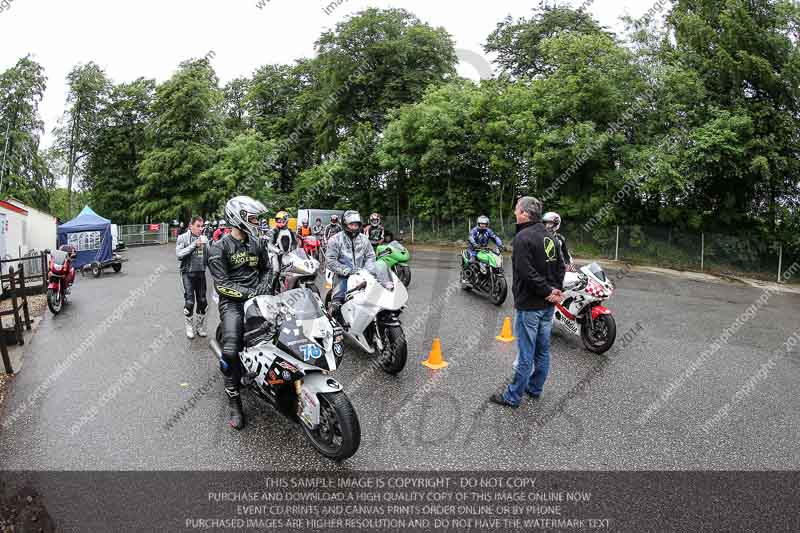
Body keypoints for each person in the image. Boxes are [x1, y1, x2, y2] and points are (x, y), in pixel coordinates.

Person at [491, 197, 565, 408]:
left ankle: (512, 396)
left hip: (530, 305)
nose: (515, 212)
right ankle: (534, 388)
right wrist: (554, 290)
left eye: (516, 209)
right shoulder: (549, 236)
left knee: (526, 352)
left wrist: (549, 290)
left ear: (524, 213)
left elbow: (526, 272)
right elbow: (561, 265)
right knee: (542, 350)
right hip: (548, 305)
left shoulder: (523, 238)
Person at [207, 196, 272, 430]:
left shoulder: (257, 242)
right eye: (254, 218)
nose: (258, 222)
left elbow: (267, 269)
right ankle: (234, 400)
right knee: (231, 350)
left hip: (261, 297)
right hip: (232, 303)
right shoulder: (218, 247)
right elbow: (222, 284)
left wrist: (264, 287)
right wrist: (250, 293)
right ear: (239, 218)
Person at [325, 210, 383, 326]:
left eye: (356, 224)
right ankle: (336, 331)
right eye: (352, 224)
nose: (354, 227)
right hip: (343, 276)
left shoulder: (364, 239)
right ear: (345, 225)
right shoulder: (335, 240)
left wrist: (367, 271)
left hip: (363, 275)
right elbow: (330, 260)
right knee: (337, 305)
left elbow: (371, 256)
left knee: (381, 298)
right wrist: (347, 271)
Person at [176, 216, 209, 339]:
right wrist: (194, 244)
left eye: (202, 226)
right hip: (187, 274)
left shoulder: (205, 239)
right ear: (191, 226)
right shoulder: (182, 238)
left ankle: (199, 327)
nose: (201, 229)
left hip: (200, 273)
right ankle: (189, 327)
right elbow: (179, 255)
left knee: (203, 301)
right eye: (198, 226)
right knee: (189, 302)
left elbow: (210, 257)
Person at [268, 211, 296, 291]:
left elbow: (294, 243)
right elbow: (269, 244)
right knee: (276, 272)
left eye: (281, 220)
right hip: (276, 255)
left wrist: (296, 251)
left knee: (294, 271)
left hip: (288, 255)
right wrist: (277, 250)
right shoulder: (275, 231)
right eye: (278, 220)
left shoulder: (290, 231)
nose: (279, 222)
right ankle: (272, 290)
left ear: (286, 220)